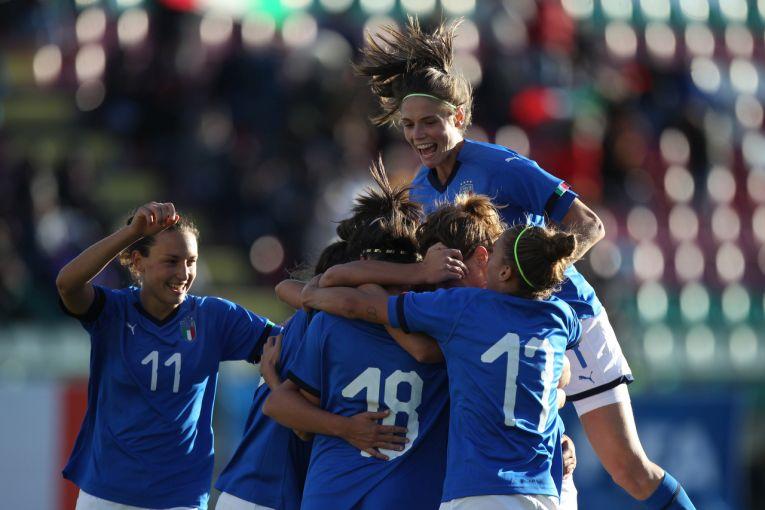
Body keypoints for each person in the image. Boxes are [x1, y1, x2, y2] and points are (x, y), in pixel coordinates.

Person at [354, 17, 695, 509]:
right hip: (510, 342)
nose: (418, 135)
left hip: (568, 318)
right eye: (408, 125)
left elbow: (589, 225)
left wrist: (536, 280)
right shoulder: (424, 188)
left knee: (629, 470)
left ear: (460, 116)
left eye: (429, 121)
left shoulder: (501, 165)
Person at [299, 222, 581, 510]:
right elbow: (556, 373)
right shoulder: (562, 317)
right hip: (545, 489)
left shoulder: (465, 307)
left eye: (493, 253)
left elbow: (357, 303)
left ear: (504, 271)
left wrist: (311, 295)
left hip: (480, 490)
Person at [56, 202, 280, 510]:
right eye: (172, 261)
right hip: (107, 494)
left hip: (180, 498)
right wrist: (131, 232)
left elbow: (287, 343)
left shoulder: (213, 317)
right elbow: (67, 284)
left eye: (191, 261)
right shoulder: (112, 312)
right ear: (138, 261)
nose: (184, 273)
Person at [264, 160, 450, 509]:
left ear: (360, 261)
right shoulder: (444, 327)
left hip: (333, 491)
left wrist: (343, 428)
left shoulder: (328, 319)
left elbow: (285, 406)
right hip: (409, 493)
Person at [216, 238, 408, 510]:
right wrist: (349, 429)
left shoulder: (297, 326)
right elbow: (300, 426)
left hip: (247, 489)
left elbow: (283, 288)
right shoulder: (323, 331)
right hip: (269, 495)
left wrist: (274, 380)